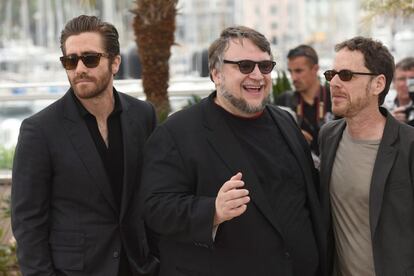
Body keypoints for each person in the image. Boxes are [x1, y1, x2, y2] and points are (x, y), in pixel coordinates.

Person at [140, 26, 327, 276]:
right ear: (217, 74)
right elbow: (155, 208)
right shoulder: (177, 132)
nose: (258, 76)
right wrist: (213, 211)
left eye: (265, 66)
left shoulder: (285, 122)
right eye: (245, 66)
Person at [11, 15, 159, 276]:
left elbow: (153, 195)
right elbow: (28, 222)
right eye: (70, 60)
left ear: (115, 63)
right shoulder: (39, 130)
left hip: (138, 266)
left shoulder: (143, 115)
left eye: (90, 59)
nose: (79, 68)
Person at [319, 36, 414, 276]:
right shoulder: (328, 137)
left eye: (347, 75)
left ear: (378, 84)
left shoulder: (409, 145)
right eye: (332, 74)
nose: (335, 83)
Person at [276, 45, 333, 156]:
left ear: (315, 69)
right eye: (290, 71)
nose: (293, 78)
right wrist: (292, 135)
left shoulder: (334, 98)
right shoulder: (284, 101)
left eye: (298, 71)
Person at [384, 56, 414, 126]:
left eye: (412, 79)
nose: (407, 84)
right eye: (402, 79)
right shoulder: (382, 104)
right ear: (393, 82)